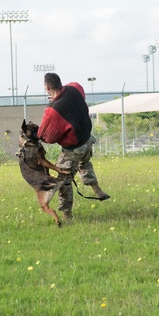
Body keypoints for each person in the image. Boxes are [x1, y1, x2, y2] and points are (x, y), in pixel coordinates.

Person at [38, 72, 109, 220]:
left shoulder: (53, 110)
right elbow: (76, 92)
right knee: (84, 162)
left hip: (74, 148)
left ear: (47, 87)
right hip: (88, 141)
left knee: (64, 179)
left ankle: (66, 214)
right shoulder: (74, 89)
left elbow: (46, 137)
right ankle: (96, 189)